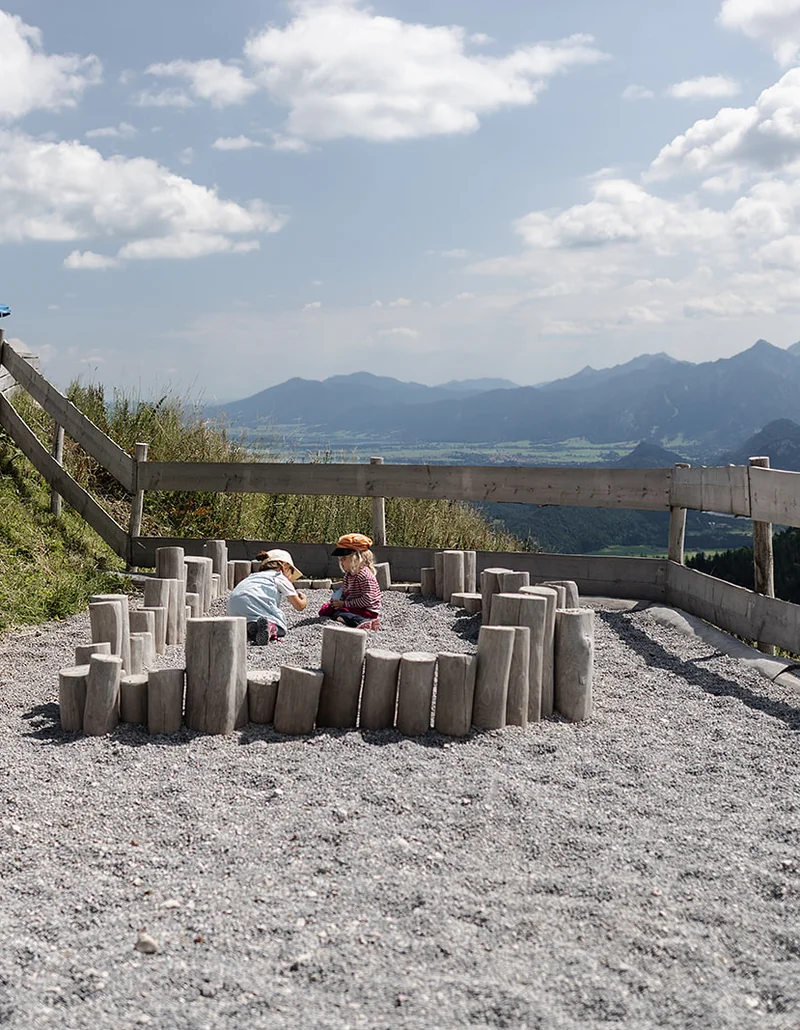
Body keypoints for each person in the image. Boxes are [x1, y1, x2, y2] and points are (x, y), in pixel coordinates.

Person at [226, 548, 307, 645]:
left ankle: (251, 628)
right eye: (291, 572)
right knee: (280, 625)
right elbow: (299, 606)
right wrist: (304, 600)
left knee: (253, 619)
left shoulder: (252, 576)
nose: (290, 577)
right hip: (255, 607)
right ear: (285, 566)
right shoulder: (278, 576)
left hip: (233, 610)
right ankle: (270, 627)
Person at [319, 533, 382, 630]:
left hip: (367, 610)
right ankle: (355, 619)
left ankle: (364, 622)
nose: (341, 562)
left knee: (340, 614)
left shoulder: (364, 575)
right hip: (354, 606)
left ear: (357, 558)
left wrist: (345, 604)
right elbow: (346, 592)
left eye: (344, 559)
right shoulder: (348, 575)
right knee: (326, 610)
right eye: (340, 559)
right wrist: (337, 601)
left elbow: (368, 599)